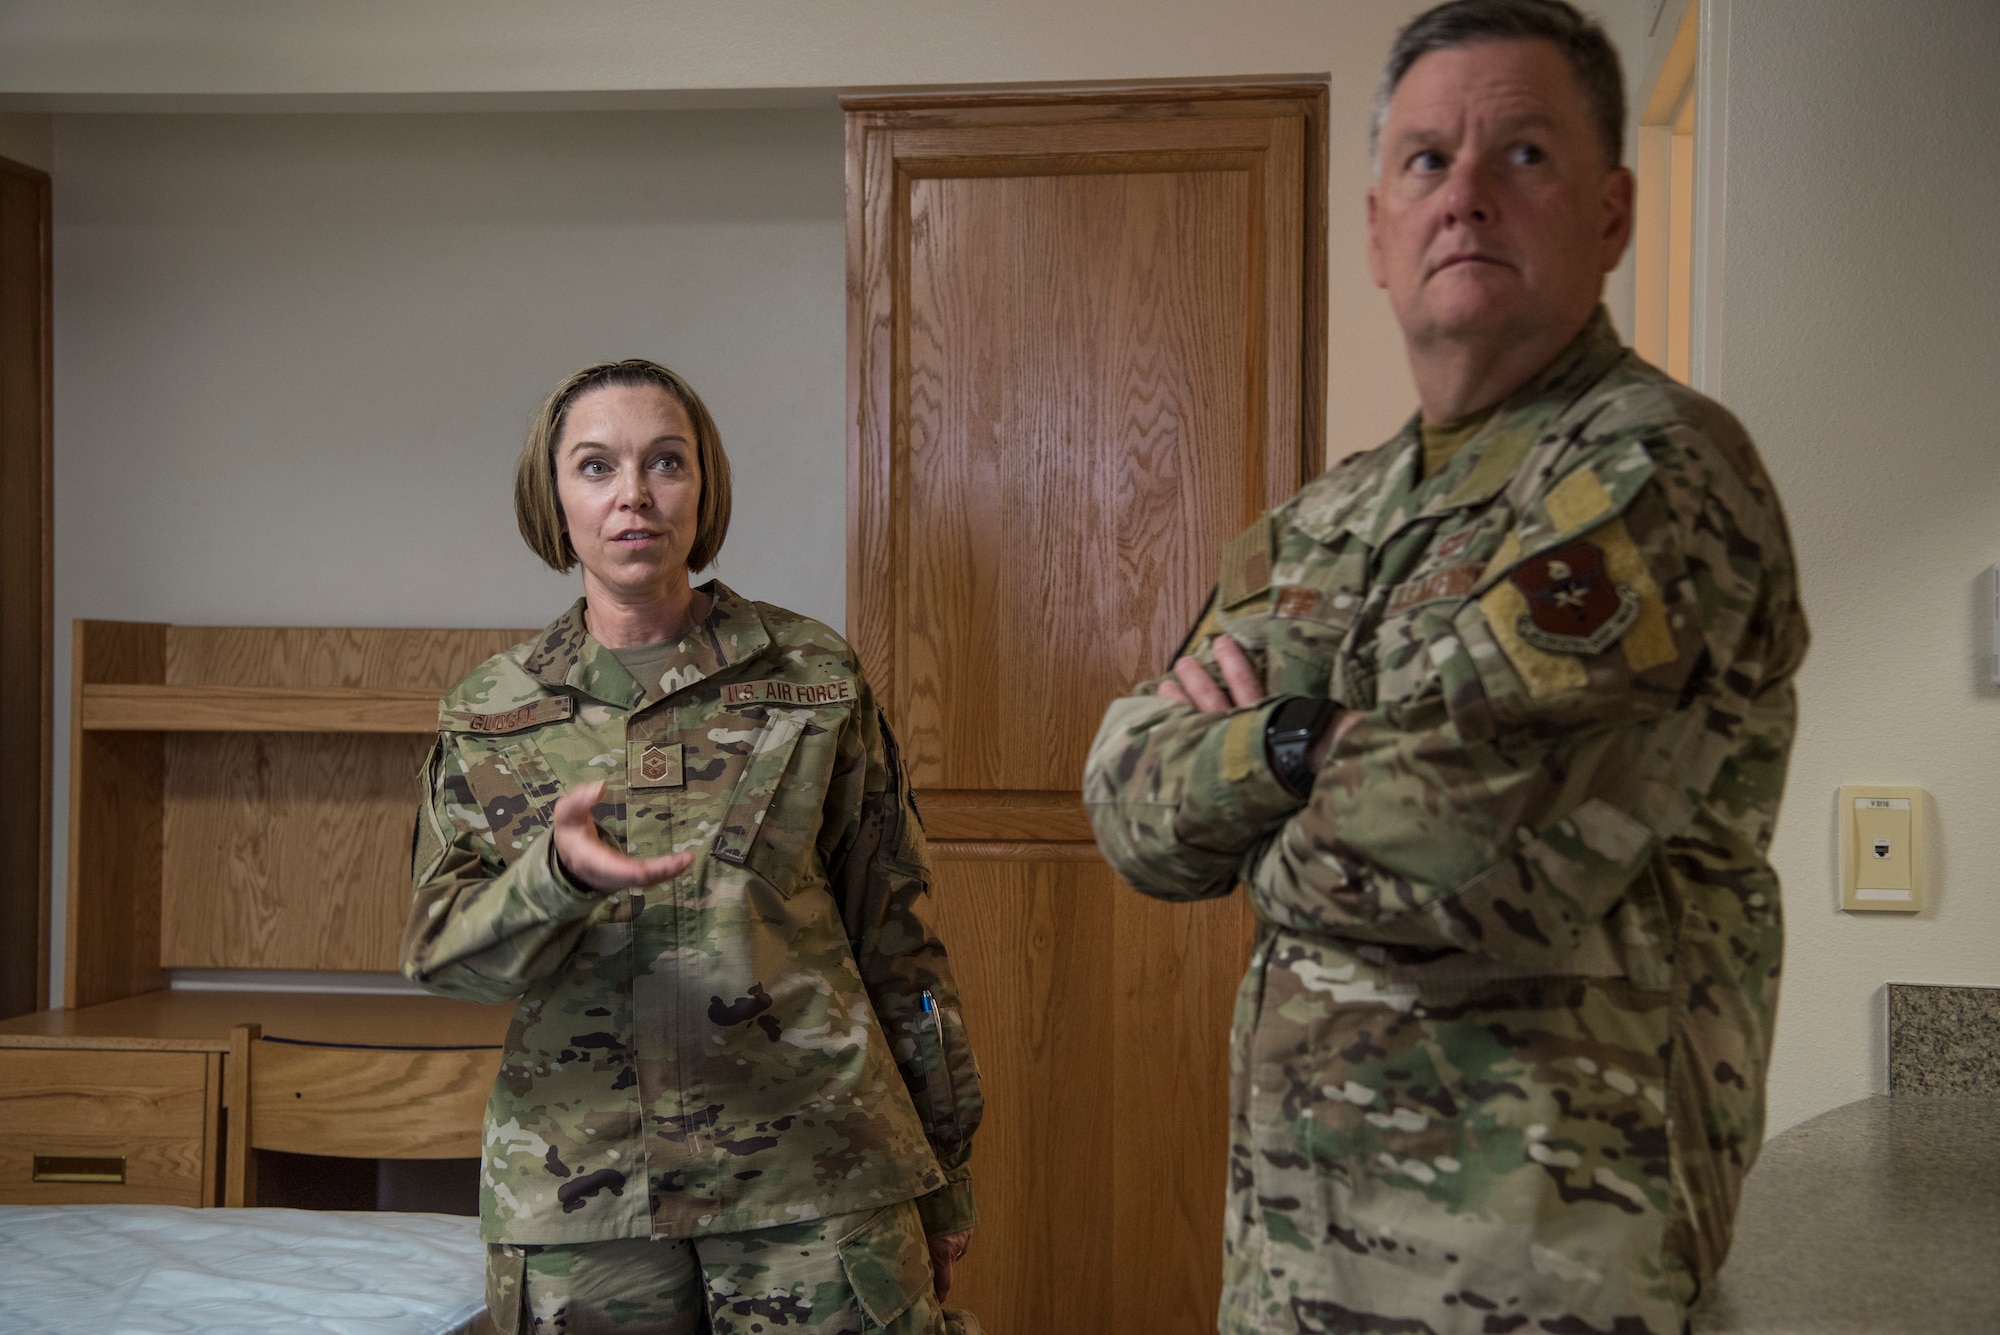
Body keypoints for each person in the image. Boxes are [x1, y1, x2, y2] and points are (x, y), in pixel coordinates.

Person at [1084, 2, 1808, 1332]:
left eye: (1522, 154)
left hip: (1546, 1281)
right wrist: (1301, 745)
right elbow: (1128, 799)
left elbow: (1468, 846)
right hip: (1298, 1272)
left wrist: (1248, 807)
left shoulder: (1653, 474)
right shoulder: (1323, 520)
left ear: (1611, 211)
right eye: (1426, 161)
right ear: (1375, 229)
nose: (1465, 195)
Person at [401, 359, 981, 1334]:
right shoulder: (490, 714)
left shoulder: (812, 675)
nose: (633, 493)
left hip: (816, 1181)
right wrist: (552, 878)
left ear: (701, 484)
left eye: (663, 461)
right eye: (595, 466)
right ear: (554, 498)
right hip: (584, 1201)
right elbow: (443, 956)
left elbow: (898, 938)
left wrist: (947, 1163)